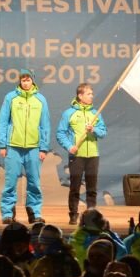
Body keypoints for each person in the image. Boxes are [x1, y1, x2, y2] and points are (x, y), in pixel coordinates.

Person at [0, 68, 51, 225]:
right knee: (10, 182)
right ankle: (8, 213)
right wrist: (2, 144)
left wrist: (43, 147)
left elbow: (45, 125)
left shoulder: (40, 100)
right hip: (13, 146)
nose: (25, 82)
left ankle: (34, 213)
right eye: (23, 80)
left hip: (34, 148)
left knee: (34, 182)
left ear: (32, 80)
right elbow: (2, 121)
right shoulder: (11, 98)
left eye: (28, 80)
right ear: (19, 81)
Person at [56, 83, 107, 227]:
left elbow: (103, 132)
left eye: (92, 93)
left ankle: (91, 216)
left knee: (92, 188)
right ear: (80, 95)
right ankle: (73, 214)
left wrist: (94, 130)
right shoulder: (69, 113)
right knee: (75, 187)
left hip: (92, 155)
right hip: (76, 155)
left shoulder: (96, 113)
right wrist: (69, 146)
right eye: (89, 94)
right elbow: (60, 133)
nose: (92, 96)